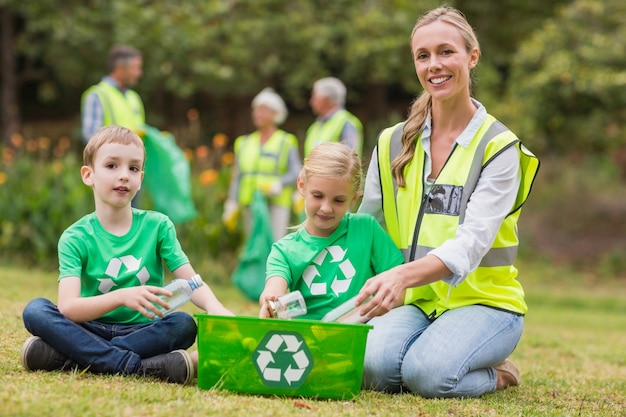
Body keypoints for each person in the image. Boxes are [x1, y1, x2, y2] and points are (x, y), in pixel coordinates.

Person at [354, 6, 540, 398]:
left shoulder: (499, 148)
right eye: (423, 56)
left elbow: (472, 242)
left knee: (428, 375)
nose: (434, 65)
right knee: (374, 368)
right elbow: (360, 226)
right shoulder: (391, 142)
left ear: (472, 57)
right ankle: (435, 348)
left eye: (446, 52)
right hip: (420, 302)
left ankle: (500, 373)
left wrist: (402, 276)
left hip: (487, 304)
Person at [20, 125, 233, 385]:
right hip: (88, 326)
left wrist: (216, 307)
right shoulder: (75, 237)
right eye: (111, 166)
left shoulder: (158, 226)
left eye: (133, 168)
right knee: (36, 311)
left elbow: (191, 282)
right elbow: (69, 307)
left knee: (183, 324)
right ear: (89, 175)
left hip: (143, 329)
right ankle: (138, 366)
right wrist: (122, 296)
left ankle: (74, 357)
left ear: (141, 177)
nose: (124, 176)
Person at [259, 142, 404, 320]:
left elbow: (400, 284)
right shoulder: (284, 250)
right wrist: (271, 301)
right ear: (302, 185)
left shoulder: (367, 229)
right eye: (318, 196)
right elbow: (274, 288)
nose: (326, 208)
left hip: (362, 335)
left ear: (354, 198)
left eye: (339, 200)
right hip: (309, 340)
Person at [222, 87, 301, 241]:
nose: (257, 114)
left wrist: (279, 183)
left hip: (276, 203)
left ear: (275, 114)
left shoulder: (286, 141)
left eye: (262, 110)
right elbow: (238, 175)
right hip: (250, 203)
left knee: (275, 244)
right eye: (255, 110)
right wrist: (232, 201)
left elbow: (296, 171)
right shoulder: (243, 143)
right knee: (254, 246)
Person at [81, 45, 145, 143]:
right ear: (120, 67)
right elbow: (91, 137)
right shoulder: (97, 95)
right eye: (135, 68)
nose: (139, 73)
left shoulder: (134, 97)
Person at [304, 77, 364, 158]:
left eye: (314, 97)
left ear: (325, 99)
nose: (311, 101)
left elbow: (350, 162)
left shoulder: (346, 123)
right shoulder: (314, 127)